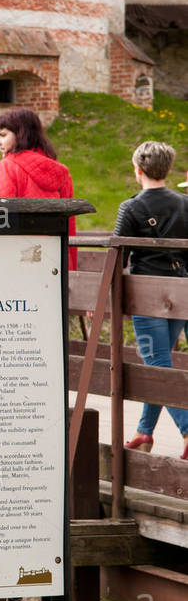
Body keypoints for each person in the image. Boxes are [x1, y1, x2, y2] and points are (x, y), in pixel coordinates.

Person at [114, 141, 188, 459]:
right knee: (162, 363)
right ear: (167, 170)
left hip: (147, 294)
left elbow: (117, 259)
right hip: (181, 291)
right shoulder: (186, 203)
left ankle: (187, 428)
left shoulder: (130, 208)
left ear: (138, 170)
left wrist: (102, 299)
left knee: (157, 365)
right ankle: (144, 432)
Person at [0, 106, 77, 269]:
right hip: (56, 260)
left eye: (3, 135)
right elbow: (69, 226)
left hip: (19, 261)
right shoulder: (61, 173)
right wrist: (70, 267)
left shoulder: (7, 167)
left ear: (21, 134)